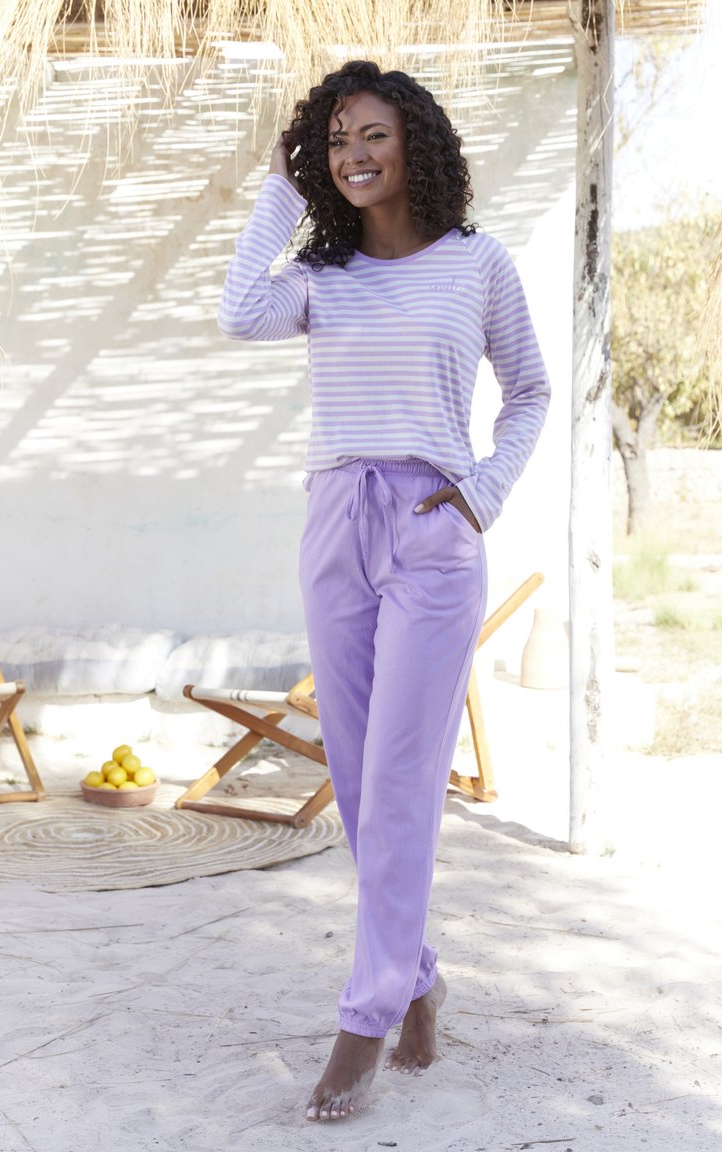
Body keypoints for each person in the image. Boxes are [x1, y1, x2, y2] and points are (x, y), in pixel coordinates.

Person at [219, 59, 550, 1122]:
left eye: (371, 135)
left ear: (414, 142)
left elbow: (531, 391)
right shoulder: (321, 277)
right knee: (360, 779)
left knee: (403, 777)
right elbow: (235, 314)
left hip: (430, 533)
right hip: (334, 523)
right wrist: (279, 180)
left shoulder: (475, 263)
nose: (352, 155)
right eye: (331, 142)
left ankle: (363, 1017)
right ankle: (416, 976)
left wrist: (479, 495)